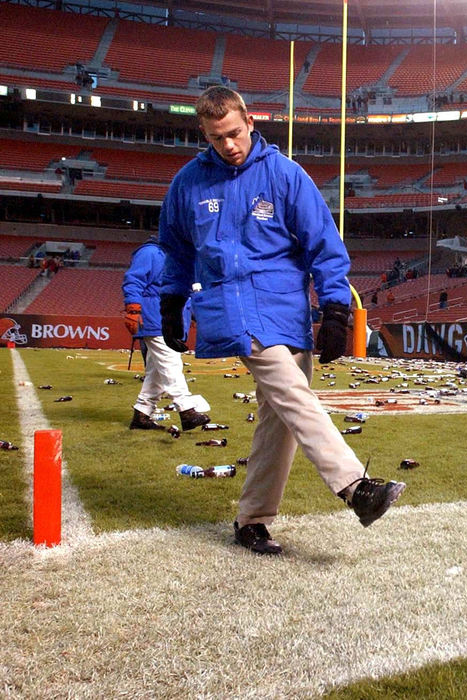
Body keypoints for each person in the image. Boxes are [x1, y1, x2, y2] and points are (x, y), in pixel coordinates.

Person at [158, 86, 404, 556]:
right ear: (204, 135)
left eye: (233, 133)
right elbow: (175, 251)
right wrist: (171, 302)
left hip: (287, 310)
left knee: (280, 419)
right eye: (216, 138)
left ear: (249, 121)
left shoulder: (286, 175)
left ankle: (251, 521)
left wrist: (335, 308)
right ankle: (357, 488)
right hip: (234, 311)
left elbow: (324, 244)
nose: (228, 144)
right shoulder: (188, 184)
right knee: (293, 395)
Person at [122, 237, 211, 432]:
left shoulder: (174, 255)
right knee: (171, 364)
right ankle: (186, 410)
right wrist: (133, 308)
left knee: (156, 372)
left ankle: (142, 414)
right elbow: (134, 279)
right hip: (156, 318)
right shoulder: (151, 253)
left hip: (164, 318)